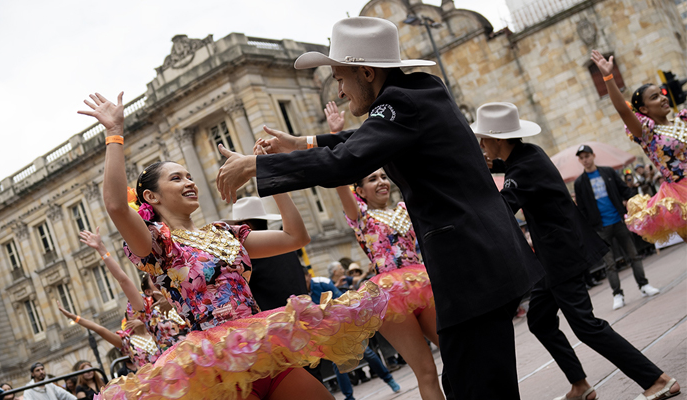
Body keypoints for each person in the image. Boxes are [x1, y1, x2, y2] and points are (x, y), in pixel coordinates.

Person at [215, 16, 544, 400]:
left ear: (366, 72)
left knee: (481, 389)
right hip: (481, 261)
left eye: (340, 77)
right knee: (467, 383)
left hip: (470, 267)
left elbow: (348, 160)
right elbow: (364, 137)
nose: (338, 91)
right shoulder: (420, 91)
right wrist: (302, 141)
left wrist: (254, 166)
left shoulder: (400, 104)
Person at [78, 91, 388, 400]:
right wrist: (114, 134)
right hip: (217, 368)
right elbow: (117, 206)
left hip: (262, 346)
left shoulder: (226, 233)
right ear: (152, 197)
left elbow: (296, 237)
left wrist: (271, 171)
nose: (190, 182)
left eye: (189, 176)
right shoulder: (157, 245)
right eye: (177, 179)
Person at [477, 102, 680, 400]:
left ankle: (657, 380)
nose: (481, 145)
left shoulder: (523, 166)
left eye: (483, 139)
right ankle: (580, 385)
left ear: (496, 139)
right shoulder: (527, 154)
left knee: (586, 326)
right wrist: (488, 167)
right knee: (541, 322)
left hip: (561, 255)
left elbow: (504, 207)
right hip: (552, 255)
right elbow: (507, 170)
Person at [324, 100, 444, 399]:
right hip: (389, 296)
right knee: (426, 371)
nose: (381, 182)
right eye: (371, 179)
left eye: (382, 176)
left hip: (425, 283)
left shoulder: (407, 207)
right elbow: (339, 180)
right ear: (360, 192)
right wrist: (336, 136)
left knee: (459, 351)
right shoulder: (361, 218)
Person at [591, 50, 687, 243]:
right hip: (681, 193)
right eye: (654, 97)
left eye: (661, 94)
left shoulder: (682, 120)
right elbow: (623, 110)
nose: (662, 98)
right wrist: (608, 77)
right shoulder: (648, 134)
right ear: (643, 109)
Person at [574, 145, 660, 310]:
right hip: (600, 228)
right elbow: (582, 209)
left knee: (634, 255)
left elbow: (624, 190)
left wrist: (634, 202)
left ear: (593, 155)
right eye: (582, 157)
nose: (585, 160)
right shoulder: (580, 183)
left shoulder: (608, 172)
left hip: (618, 221)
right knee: (610, 264)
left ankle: (643, 285)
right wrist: (589, 229)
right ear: (580, 160)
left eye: (587, 156)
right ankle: (617, 294)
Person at [304, 268, 400, 400]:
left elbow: (342, 301)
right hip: (325, 332)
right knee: (337, 364)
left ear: (308, 275)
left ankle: (389, 379)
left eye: (303, 277)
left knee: (367, 353)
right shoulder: (299, 291)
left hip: (343, 323)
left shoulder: (323, 283)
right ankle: (349, 397)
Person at [224, 197, 308, 310]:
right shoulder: (286, 245)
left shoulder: (247, 255)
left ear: (244, 225)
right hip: (306, 315)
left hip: (276, 322)